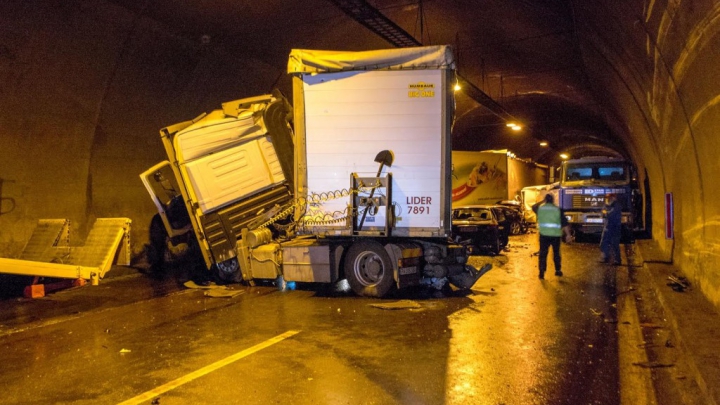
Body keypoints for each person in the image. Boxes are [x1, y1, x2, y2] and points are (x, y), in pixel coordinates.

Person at [533, 194, 570, 279]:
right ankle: (557, 270)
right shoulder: (558, 209)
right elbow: (564, 223)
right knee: (556, 253)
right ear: (553, 200)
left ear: (545, 200)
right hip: (555, 235)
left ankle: (541, 272)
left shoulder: (540, 209)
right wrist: (568, 235)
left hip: (544, 235)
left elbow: (533, 206)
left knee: (543, 254)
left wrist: (542, 201)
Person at [599, 193, 622, 265]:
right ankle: (605, 257)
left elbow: (610, 214)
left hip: (615, 227)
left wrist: (605, 213)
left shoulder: (617, 206)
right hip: (607, 227)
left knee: (615, 243)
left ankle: (617, 260)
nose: (607, 199)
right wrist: (604, 213)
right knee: (604, 242)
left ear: (613, 198)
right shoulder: (606, 205)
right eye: (607, 198)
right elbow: (602, 214)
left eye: (609, 198)